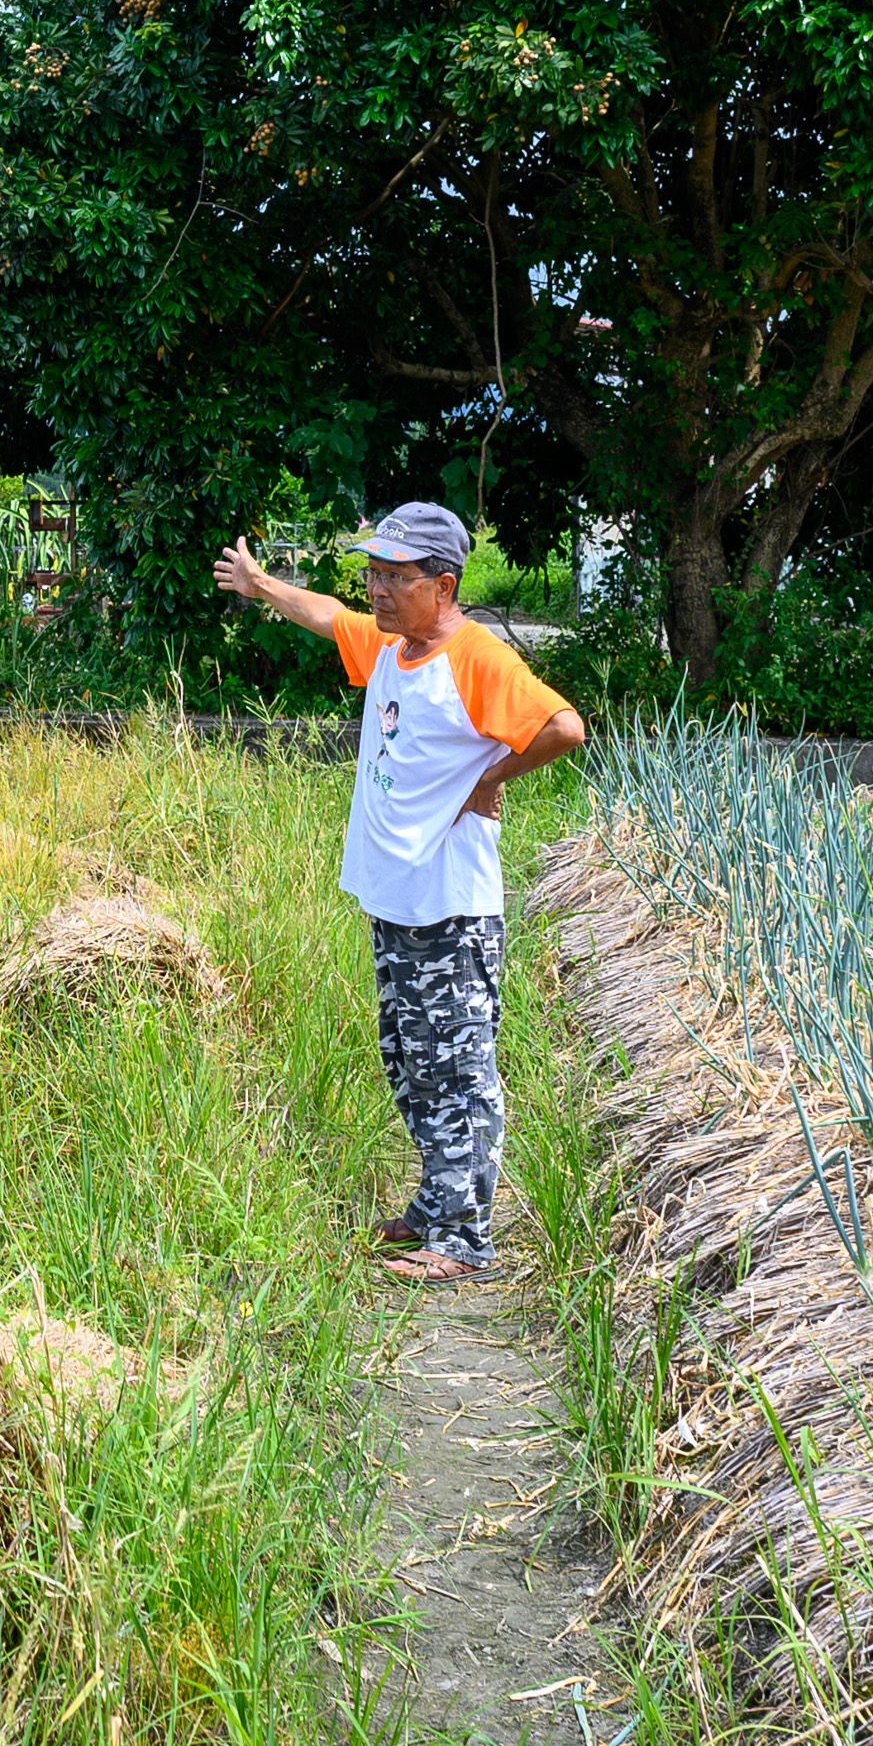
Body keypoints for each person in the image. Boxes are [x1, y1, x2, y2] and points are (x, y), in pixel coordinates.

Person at [214, 503, 588, 1281]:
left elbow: (564, 726)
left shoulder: (476, 657)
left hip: (452, 908)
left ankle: (462, 1238)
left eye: (394, 577)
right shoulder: (393, 643)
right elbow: (329, 615)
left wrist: (490, 777)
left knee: (458, 1067)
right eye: (373, 575)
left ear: (443, 585)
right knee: (410, 1058)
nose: (376, 590)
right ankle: (433, 1203)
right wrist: (260, 584)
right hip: (399, 899)